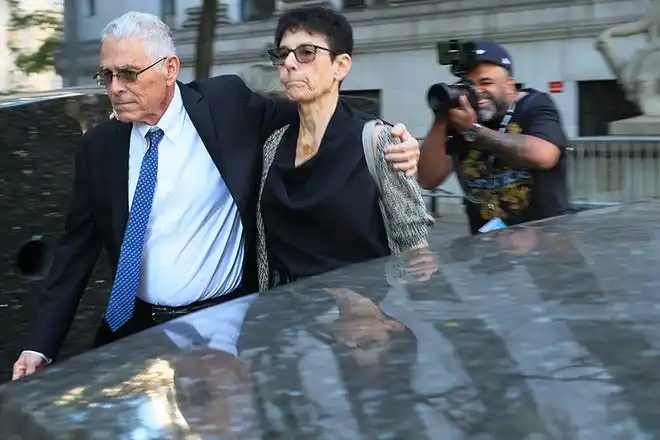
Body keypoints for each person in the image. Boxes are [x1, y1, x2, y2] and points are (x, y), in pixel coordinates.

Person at [12, 11, 421, 380]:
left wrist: (390, 136)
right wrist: (40, 345)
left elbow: (315, 113)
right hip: (135, 329)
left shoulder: (226, 105)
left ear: (170, 68)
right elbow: (75, 251)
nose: (115, 88)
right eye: (107, 76)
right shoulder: (99, 147)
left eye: (129, 73)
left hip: (229, 323)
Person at [255, 5, 433, 290]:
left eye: (306, 53)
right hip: (284, 318)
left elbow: (415, 250)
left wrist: (381, 320)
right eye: (283, 53)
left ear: (341, 66)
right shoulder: (273, 146)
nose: (289, 63)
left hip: (359, 320)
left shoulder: (377, 141)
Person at [417, 40, 571, 235]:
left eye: (486, 83)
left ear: (509, 85)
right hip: (488, 251)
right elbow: (428, 179)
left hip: (547, 241)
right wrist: (441, 118)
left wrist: (473, 131)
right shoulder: (461, 119)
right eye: (468, 85)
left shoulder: (535, 105)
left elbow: (544, 155)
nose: (477, 92)